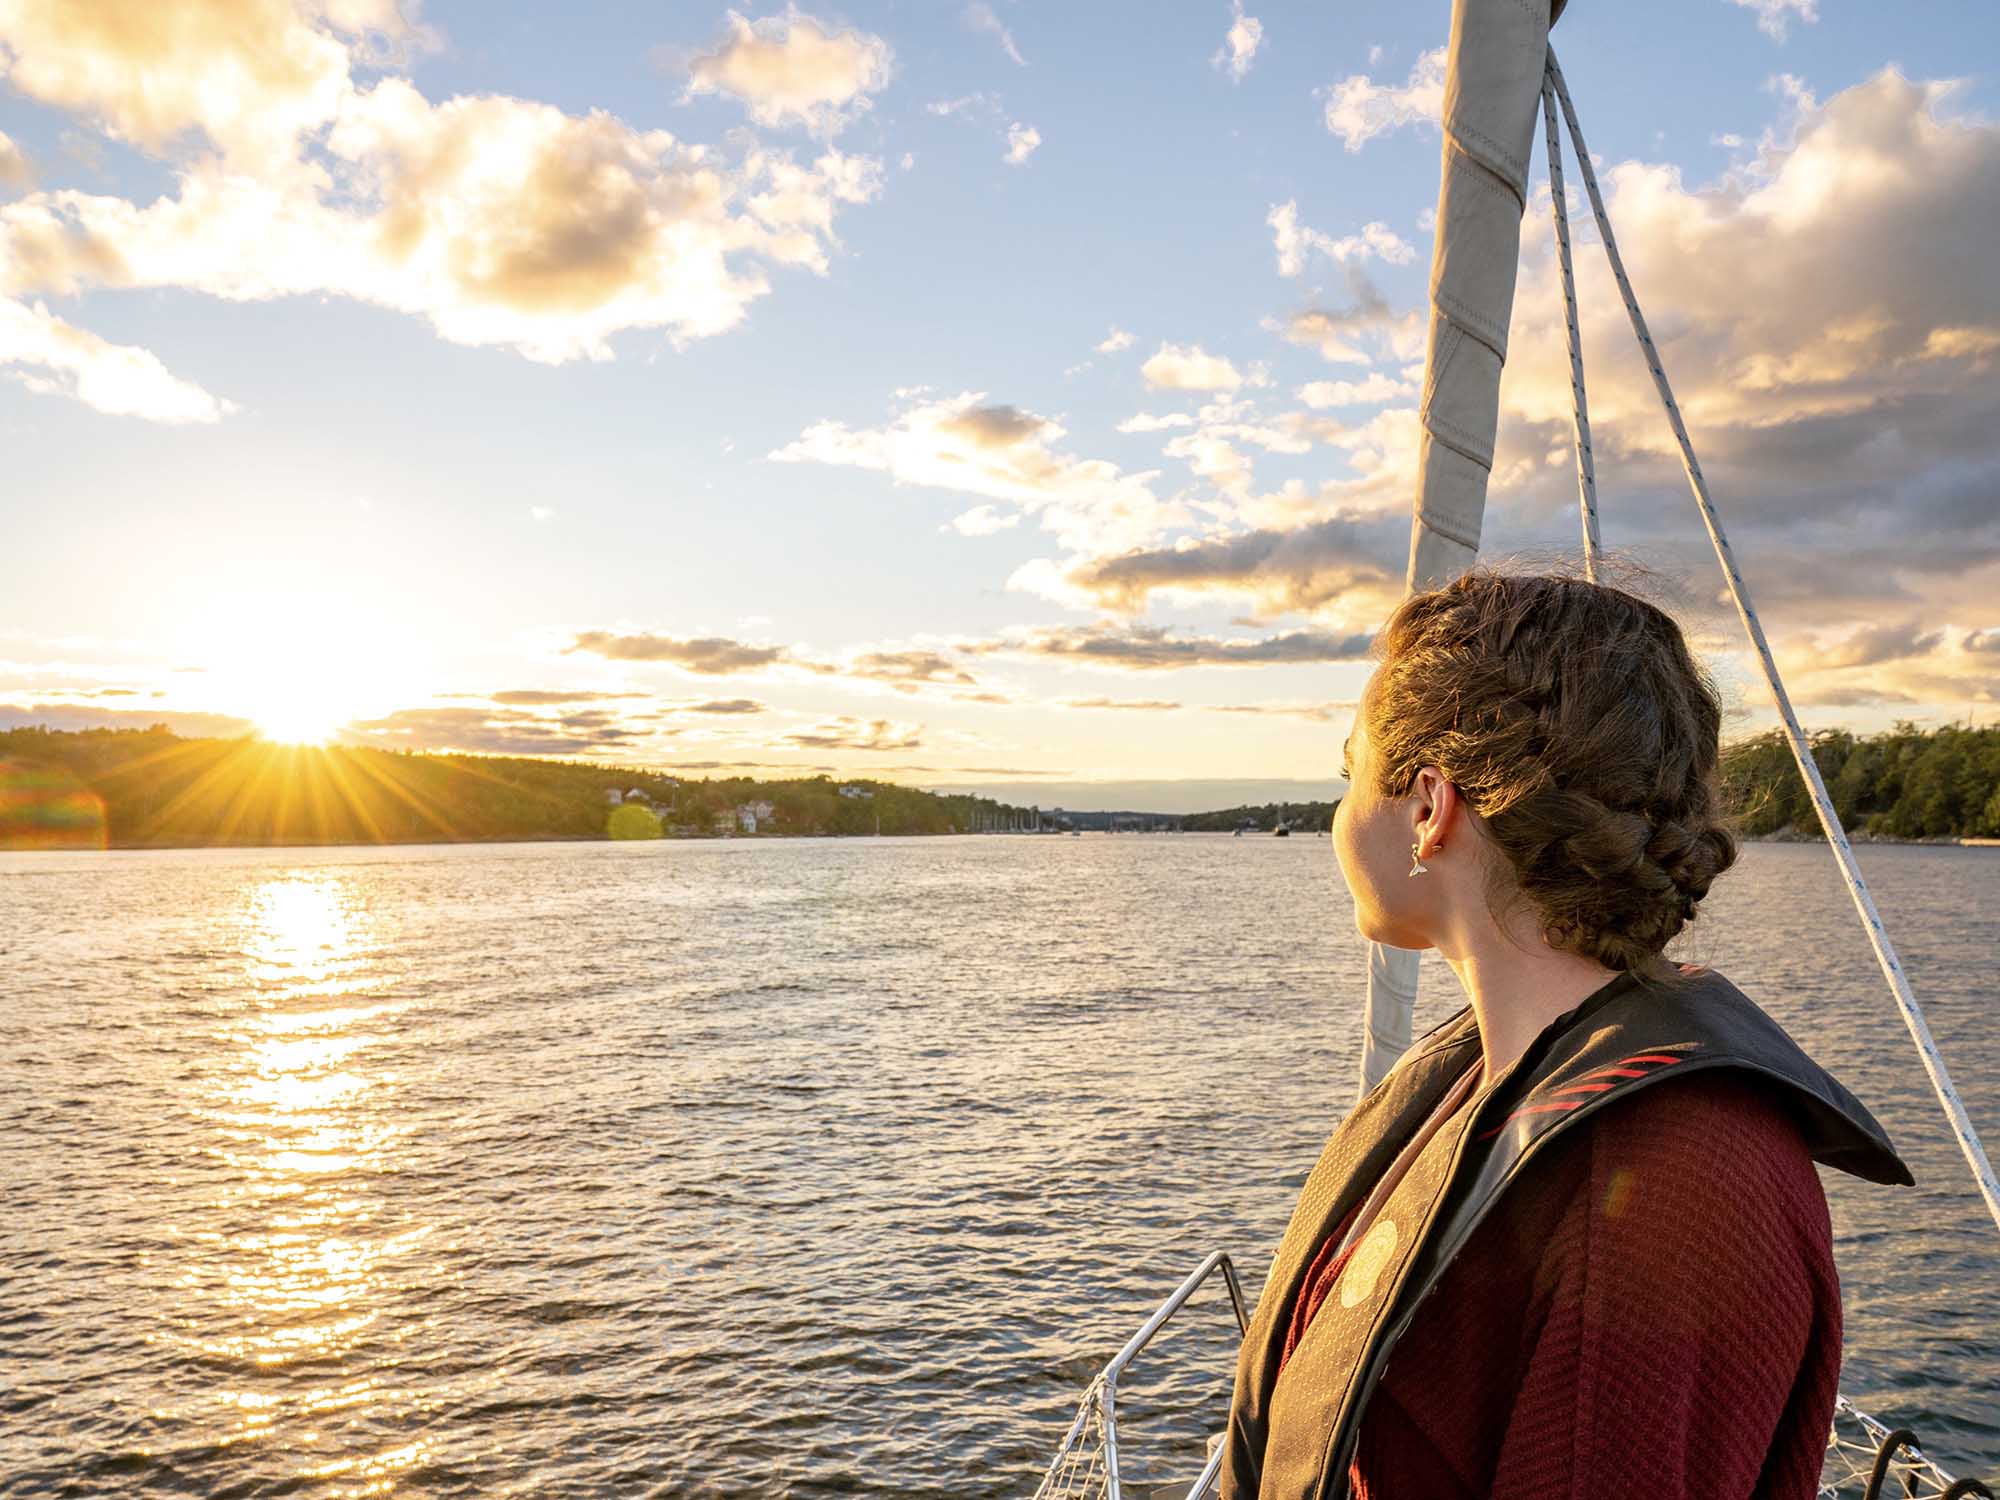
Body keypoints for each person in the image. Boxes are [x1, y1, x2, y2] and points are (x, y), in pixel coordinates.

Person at [1218, 564, 1912, 1500]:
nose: (1340, 816)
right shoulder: (1492, 1081)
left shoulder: (1669, 1188)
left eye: (1351, 776)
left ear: (1429, 809)